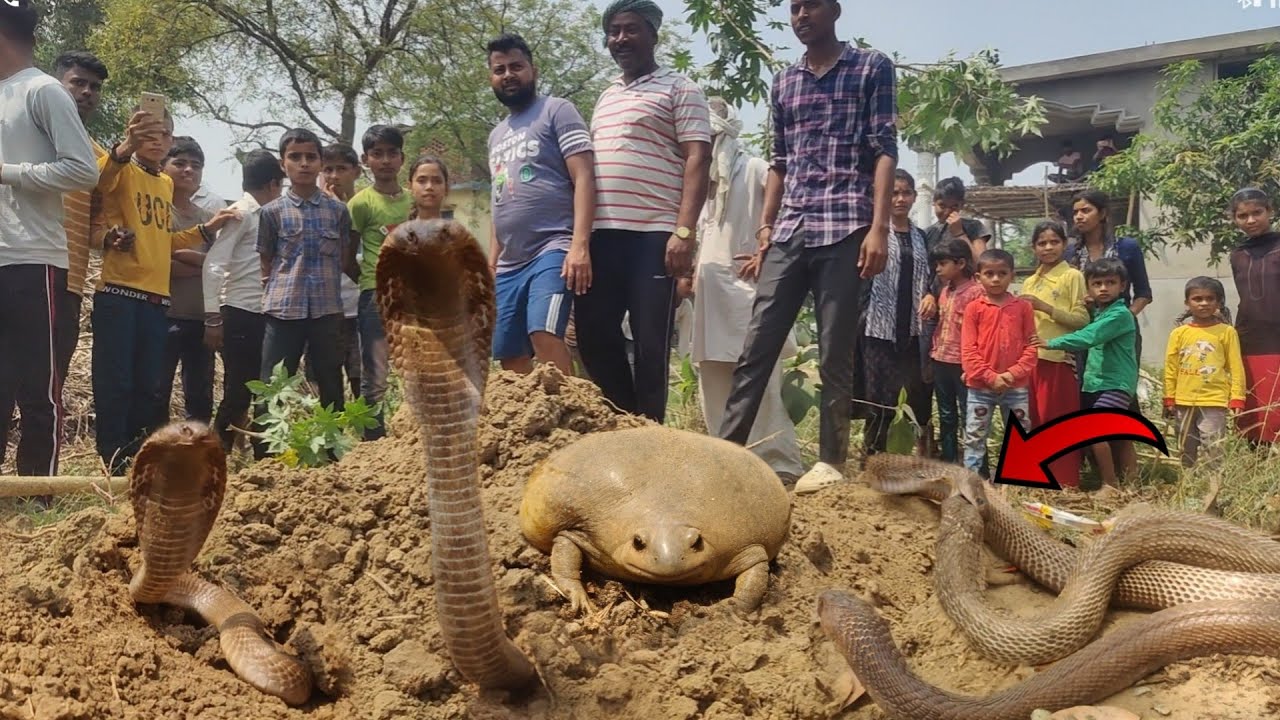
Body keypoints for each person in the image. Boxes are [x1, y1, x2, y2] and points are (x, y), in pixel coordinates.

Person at [724, 0, 893, 494]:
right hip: (791, 229)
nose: (801, 15)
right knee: (757, 344)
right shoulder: (784, 81)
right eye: (794, 8)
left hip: (846, 226)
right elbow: (780, 161)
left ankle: (831, 463)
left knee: (834, 349)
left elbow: (884, 150)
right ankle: (726, 451)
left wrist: (878, 227)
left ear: (835, 10)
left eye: (810, 5)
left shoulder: (871, 66)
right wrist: (765, 230)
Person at [576, 0, 711, 423]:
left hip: (654, 236)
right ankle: (623, 421)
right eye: (613, 31)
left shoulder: (680, 88)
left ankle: (650, 432)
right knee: (594, 335)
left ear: (653, 34)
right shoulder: (606, 95)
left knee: (652, 344)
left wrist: (684, 233)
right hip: (603, 235)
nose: (620, 39)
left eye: (630, 29)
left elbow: (698, 159)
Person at [93, 109, 238, 473]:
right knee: (117, 383)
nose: (156, 140)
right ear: (134, 134)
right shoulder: (120, 166)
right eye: (148, 133)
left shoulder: (165, 185)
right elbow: (99, 180)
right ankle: (113, 461)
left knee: (149, 388)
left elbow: (164, 240)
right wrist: (127, 145)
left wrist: (207, 229)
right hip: (120, 293)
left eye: (164, 134)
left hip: (158, 303)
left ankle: (140, 459)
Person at [0, 5, 99, 477]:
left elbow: (83, 169)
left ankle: (38, 495)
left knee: (39, 390)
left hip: (34, 259)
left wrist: (9, 174)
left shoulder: (43, 91)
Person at [686, 96, 802, 482]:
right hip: (708, 299)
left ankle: (777, 463)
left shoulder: (754, 170)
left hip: (747, 294)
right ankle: (727, 460)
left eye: (713, 135)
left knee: (759, 379)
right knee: (713, 377)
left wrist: (766, 253)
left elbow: (785, 216)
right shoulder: (694, 181)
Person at [485, 32, 595, 376]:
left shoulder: (557, 111)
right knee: (509, 355)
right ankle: (529, 427)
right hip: (509, 263)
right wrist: (491, 265)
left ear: (533, 69)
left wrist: (579, 245)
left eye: (516, 66)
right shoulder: (496, 135)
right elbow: (499, 202)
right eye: (499, 69)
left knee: (544, 333)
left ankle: (572, 419)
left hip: (553, 247)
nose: (508, 75)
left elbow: (585, 178)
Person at [256, 127, 354, 427]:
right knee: (273, 385)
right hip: (284, 310)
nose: (303, 163)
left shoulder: (338, 211)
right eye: (295, 157)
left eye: (311, 157)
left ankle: (333, 455)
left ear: (321, 162)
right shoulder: (272, 212)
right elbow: (266, 260)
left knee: (330, 383)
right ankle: (266, 458)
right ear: (283, 163)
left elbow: (345, 256)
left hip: (327, 311)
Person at [1065, 189, 1151, 477]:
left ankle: (1129, 475)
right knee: (1087, 398)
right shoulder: (1070, 252)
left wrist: (1122, 319)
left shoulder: (1126, 247)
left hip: (1119, 334)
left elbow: (1143, 293)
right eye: (1076, 211)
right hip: (1083, 334)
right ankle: (1097, 469)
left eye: (1086, 210)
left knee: (1121, 402)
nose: (1079, 215)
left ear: (1102, 214)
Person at [203, 149, 284, 454]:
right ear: (273, 184)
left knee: (264, 389)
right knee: (239, 391)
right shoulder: (242, 213)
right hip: (240, 312)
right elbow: (214, 264)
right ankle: (216, 455)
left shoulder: (269, 215)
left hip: (265, 312)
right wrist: (213, 316)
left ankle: (263, 457)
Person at [1039, 258, 1139, 491]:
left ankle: (1110, 485)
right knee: (1121, 435)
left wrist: (1050, 342)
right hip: (1096, 383)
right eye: (1097, 284)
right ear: (1089, 287)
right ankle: (1133, 485)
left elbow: (1089, 336)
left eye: (1110, 282)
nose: (1103, 288)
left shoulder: (1120, 315)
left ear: (1122, 286)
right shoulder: (1102, 312)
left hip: (1115, 384)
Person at [857, 169, 931, 458]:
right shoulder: (872, 232)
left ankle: (902, 455)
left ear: (914, 197)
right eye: (893, 193)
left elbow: (932, 276)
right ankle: (874, 454)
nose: (900, 199)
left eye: (906, 193)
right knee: (878, 395)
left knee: (909, 393)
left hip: (912, 328)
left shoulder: (922, 237)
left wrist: (931, 294)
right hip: (877, 325)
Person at [349, 126, 411, 440]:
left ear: (401, 158)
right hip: (374, 296)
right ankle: (373, 445)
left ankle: (413, 439)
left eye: (391, 153)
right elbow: (347, 253)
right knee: (375, 375)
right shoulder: (360, 204)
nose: (385, 160)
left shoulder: (414, 201)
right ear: (365, 160)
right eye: (377, 154)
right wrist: (366, 279)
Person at [52, 51, 110, 382]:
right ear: (54, 85)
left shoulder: (101, 159)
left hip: (69, 282)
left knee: (50, 383)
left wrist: (110, 238)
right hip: (17, 271)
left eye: (94, 87)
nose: (87, 91)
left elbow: (95, 228)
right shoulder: (22, 136)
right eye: (78, 83)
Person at [160, 136, 226, 423]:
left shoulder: (209, 218)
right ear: (163, 167)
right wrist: (199, 264)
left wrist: (183, 257)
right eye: (180, 163)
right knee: (156, 391)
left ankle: (196, 457)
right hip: (162, 315)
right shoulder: (157, 213)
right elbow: (155, 262)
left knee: (199, 397)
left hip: (200, 318)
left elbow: (220, 267)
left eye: (195, 165)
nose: (188, 170)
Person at [1020, 220, 1089, 488]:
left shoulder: (1072, 276)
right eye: (1042, 243)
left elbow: (1082, 320)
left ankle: (1065, 482)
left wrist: (1045, 307)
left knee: (1058, 421)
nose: (1048, 248)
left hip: (1058, 359)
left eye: (1054, 242)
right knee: (1033, 420)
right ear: (1034, 247)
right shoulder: (1029, 280)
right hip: (1029, 361)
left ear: (1064, 244)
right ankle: (1037, 478)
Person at [959, 248, 1037, 476]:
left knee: (1019, 434)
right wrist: (992, 377)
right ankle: (971, 483)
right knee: (974, 436)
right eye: (989, 273)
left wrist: (1011, 374)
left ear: (1012, 275)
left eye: (1002, 273)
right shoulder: (974, 309)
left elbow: (1032, 346)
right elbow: (968, 351)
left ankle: (1019, 481)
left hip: (1016, 387)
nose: (995, 279)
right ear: (978, 277)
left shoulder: (1023, 308)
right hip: (980, 387)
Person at [1162, 276, 1245, 470]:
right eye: (1197, 299)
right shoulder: (1179, 333)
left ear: (1218, 302)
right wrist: (1169, 397)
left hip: (1214, 400)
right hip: (1184, 400)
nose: (1204, 303)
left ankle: (1213, 487)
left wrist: (1237, 397)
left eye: (1210, 298)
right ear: (1187, 303)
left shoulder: (1226, 332)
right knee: (1185, 446)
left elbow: (1235, 366)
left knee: (1213, 446)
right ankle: (1188, 484)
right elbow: (1171, 366)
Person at [1227, 187, 1280, 446]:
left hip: (1278, 336)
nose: (1250, 220)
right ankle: (1256, 466)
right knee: (1254, 409)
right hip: (1249, 338)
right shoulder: (1237, 254)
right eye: (1242, 215)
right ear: (1234, 219)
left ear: (1270, 211)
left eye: (1257, 213)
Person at [927, 237, 982, 464]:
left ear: (960, 264)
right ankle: (949, 461)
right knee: (946, 414)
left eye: (942, 263)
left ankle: (976, 467)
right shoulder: (944, 290)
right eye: (936, 264)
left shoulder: (976, 293)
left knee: (970, 414)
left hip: (964, 363)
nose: (938, 269)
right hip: (941, 359)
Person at [317, 143, 363, 401]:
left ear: (356, 172)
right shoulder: (315, 211)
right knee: (326, 386)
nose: (334, 176)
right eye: (328, 169)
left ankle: (370, 441)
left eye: (342, 169)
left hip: (359, 310)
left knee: (362, 382)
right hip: (326, 313)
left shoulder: (365, 207)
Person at [407, 154, 450, 222]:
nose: (429, 187)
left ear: (446, 188)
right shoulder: (401, 232)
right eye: (421, 181)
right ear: (410, 187)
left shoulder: (457, 232)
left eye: (437, 181)